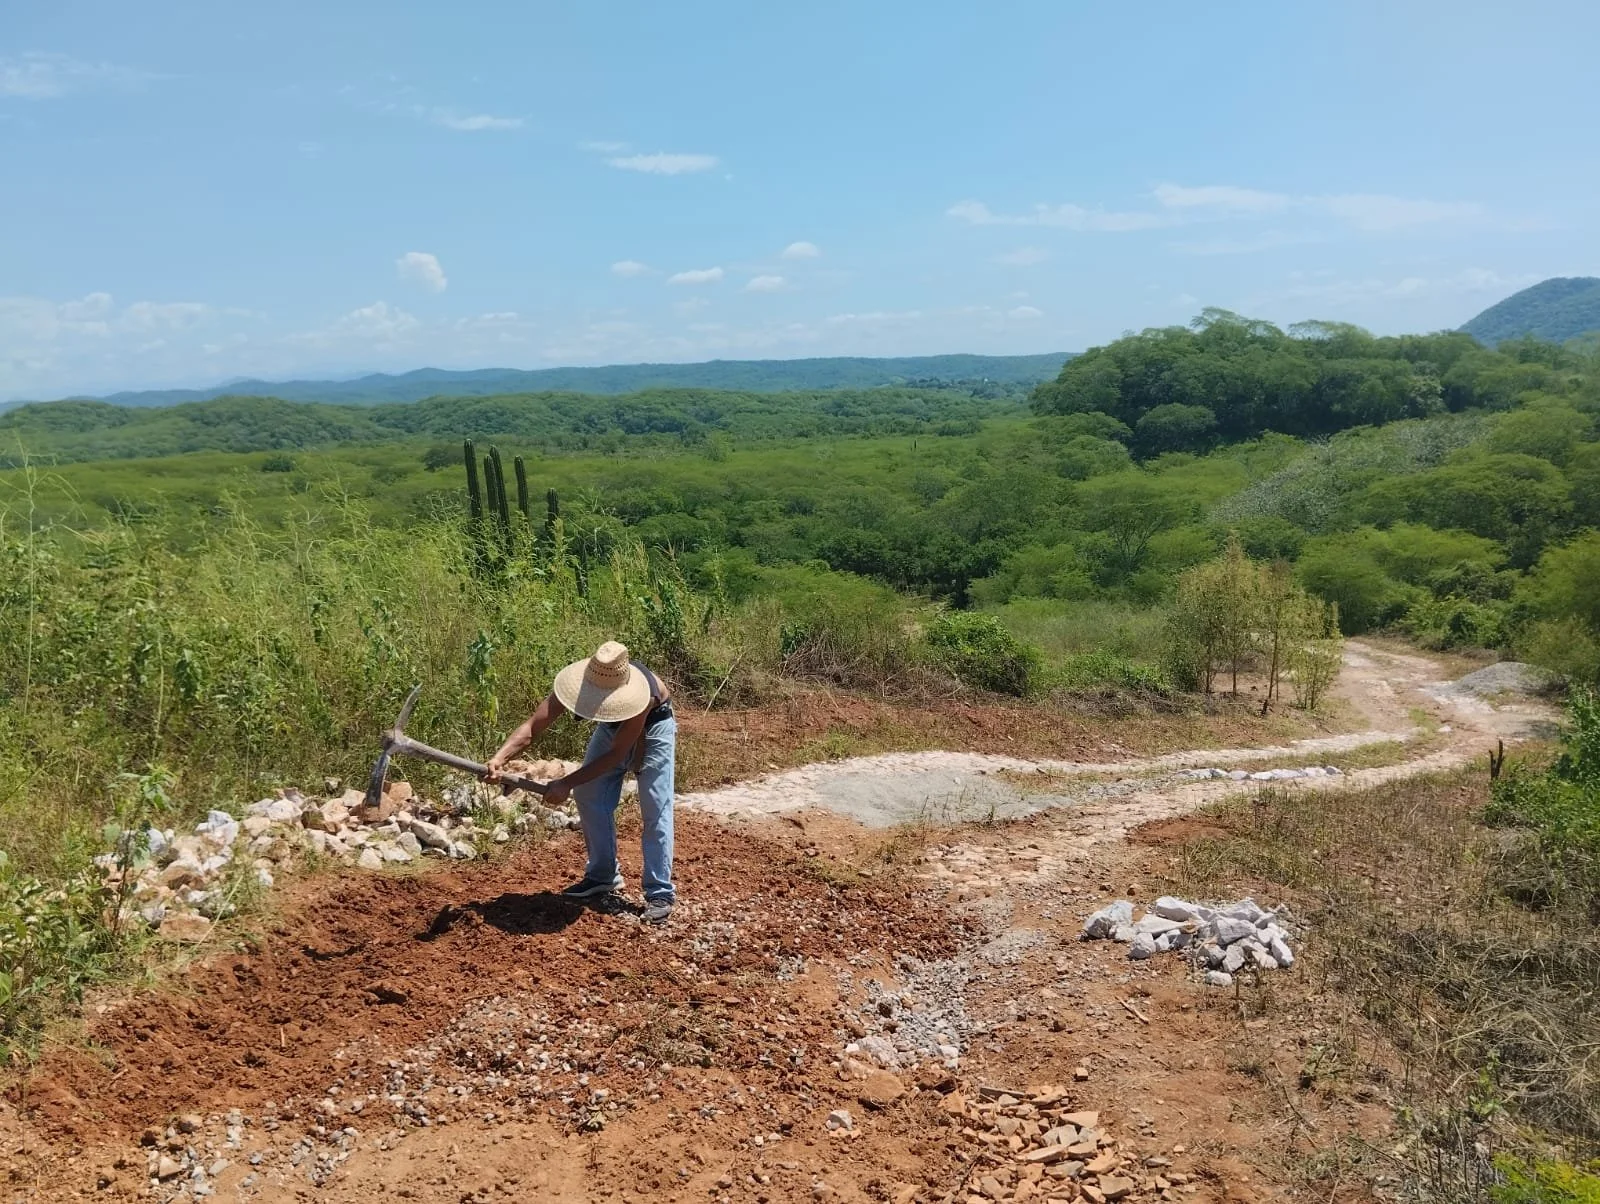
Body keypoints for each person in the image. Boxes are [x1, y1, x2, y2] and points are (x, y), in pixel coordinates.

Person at [485, 641, 677, 923]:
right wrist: (499, 757)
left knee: (655, 807)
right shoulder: (582, 681)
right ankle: (602, 876)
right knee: (589, 794)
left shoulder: (641, 696)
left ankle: (659, 892)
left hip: (654, 726)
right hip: (612, 729)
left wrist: (565, 782)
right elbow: (531, 726)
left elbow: (616, 755)